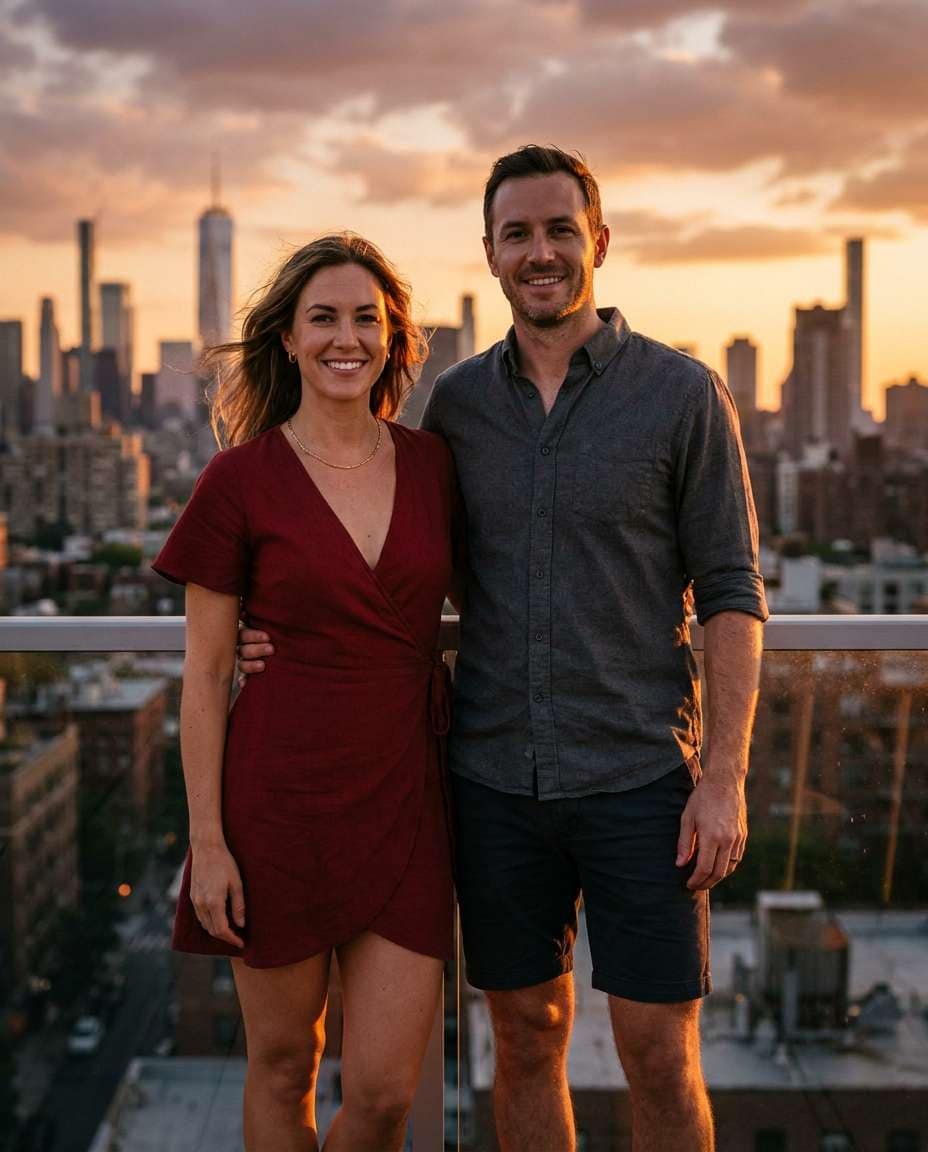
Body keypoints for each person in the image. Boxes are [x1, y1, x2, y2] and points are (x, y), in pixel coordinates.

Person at [239, 147, 768, 1152]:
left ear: (598, 243)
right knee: (525, 1035)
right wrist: (269, 637)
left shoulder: (682, 396)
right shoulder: (457, 407)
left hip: (641, 780)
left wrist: (725, 777)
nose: (540, 252)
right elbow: (393, 567)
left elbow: (733, 594)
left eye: (559, 229)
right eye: (516, 234)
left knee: (659, 1052)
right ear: (487, 253)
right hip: (490, 784)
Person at [152, 233, 458, 1152]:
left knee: (381, 1092)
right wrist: (207, 845)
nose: (345, 338)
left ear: (393, 338)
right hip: (275, 807)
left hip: (407, 797)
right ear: (286, 338)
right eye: (322, 318)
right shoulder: (237, 480)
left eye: (367, 318)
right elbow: (204, 679)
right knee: (283, 1068)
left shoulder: (435, 466)